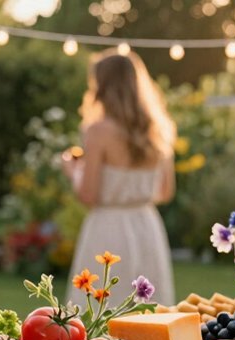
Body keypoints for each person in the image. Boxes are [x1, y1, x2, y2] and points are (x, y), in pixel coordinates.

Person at [61, 50, 176, 306]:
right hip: (147, 225)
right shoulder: (158, 129)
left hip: (108, 229)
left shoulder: (98, 131)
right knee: (147, 309)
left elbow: (88, 195)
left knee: (101, 307)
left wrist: (72, 171)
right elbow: (166, 191)